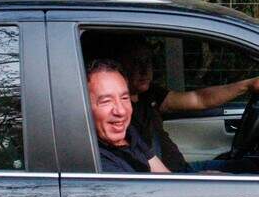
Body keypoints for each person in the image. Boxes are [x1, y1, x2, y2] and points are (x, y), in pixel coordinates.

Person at [118, 38, 259, 173]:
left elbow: (199, 99)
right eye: (136, 62)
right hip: (172, 180)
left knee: (250, 166)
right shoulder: (117, 114)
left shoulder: (148, 94)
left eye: (148, 61)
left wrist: (248, 85)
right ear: (119, 66)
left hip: (182, 170)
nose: (144, 70)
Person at [87, 59, 170, 173]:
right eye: (106, 101)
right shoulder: (97, 163)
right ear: (83, 108)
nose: (121, 111)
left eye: (125, 98)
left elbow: (164, 176)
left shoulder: (128, 133)